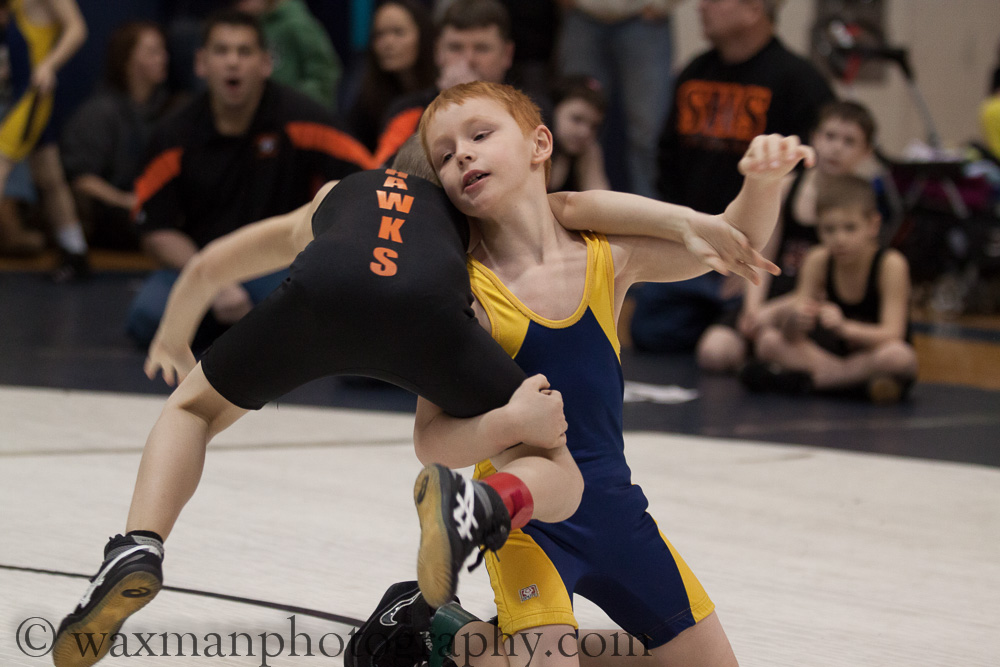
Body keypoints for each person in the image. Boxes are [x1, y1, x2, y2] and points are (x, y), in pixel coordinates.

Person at [50, 132, 775, 667]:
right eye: (458, 155)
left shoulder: (346, 197)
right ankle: (476, 536)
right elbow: (574, 202)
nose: (468, 160)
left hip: (328, 299)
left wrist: (175, 341)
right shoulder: (471, 245)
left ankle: (138, 543)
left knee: (191, 410)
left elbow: (212, 263)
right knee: (553, 462)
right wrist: (687, 219)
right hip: (466, 398)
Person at [405, 81, 812, 665]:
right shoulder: (464, 297)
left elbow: (734, 241)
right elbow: (430, 439)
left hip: (616, 513)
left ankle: (453, 635)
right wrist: (509, 423)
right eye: (443, 156)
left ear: (539, 143)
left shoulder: (605, 254)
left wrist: (763, 182)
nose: (461, 155)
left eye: (480, 134)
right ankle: (439, 636)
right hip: (524, 521)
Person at [125, 9, 371, 349]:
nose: (232, 63)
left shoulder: (303, 118)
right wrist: (211, 280)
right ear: (201, 63)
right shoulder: (173, 135)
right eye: (221, 51)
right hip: (200, 266)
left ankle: (244, 331)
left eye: (244, 52)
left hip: (277, 268)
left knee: (320, 310)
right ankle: (250, 333)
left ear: (265, 63)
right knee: (146, 317)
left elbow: (367, 180)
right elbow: (155, 230)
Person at [629, 0, 835, 353]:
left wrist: (758, 259)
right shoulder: (696, 71)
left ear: (754, 8)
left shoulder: (799, 81)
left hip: (756, 257)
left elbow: (811, 183)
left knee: (729, 342)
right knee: (650, 331)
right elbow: (666, 158)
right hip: (692, 246)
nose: (700, 6)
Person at [697, 100, 879, 373]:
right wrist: (753, 309)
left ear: (866, 152)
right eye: (830, 137)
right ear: (815, 138)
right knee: (715, 352)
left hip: (818, 306)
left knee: (771, 343)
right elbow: (762, 253)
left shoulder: (862, 202)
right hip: (775, 292)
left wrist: (772, 313)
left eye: (849, 141)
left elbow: (843, 279)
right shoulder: (786, 188)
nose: (836, 148)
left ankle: (807, 368)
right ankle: (769, 361)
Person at [741, 174, 918, 403]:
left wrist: (844, 328)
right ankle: (849, 384)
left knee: (900, 357)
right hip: (828, 356)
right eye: (829, 230)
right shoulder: (818, 259)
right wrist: (796, 320)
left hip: (869, 355)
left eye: (850, 228)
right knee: (768, 341)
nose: (839, 239)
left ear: (873, 225)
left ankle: (817, 382)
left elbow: (893, 334)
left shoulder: (890, 265)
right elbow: (792, 336)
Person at [60, 20, 177, 251]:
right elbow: (80, 180)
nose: (163, 58)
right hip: (113, 219)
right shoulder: (99, 112)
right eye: (153, 51)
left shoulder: (173, 110)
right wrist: (125, 201)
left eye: (163, 51)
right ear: (127, 58)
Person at [556, 0, 681, 198]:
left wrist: (662, 4)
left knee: (647, 134)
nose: (584, 131)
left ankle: (649, 221)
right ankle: (571, 212)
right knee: (573, 130)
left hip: (643, 17)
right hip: (582, 14)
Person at [0, 0, 89, 279]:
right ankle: (76, 253)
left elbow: (77, 28)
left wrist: (49, 65)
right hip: (20, 92)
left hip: (32, 97)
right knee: (50, 177)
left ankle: (76, 254)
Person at [371, 0, 517, 167]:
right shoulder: (408, 109)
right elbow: (386, 172)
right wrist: (447, 105)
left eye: (481, 48)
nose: (468, 60)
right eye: (455, 48)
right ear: (438, 51)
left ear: (507, 54)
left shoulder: (528, 109)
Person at [342, 0, 437, 151]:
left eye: (398, 32)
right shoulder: (367, 96)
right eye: (379, 34)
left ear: (424, 36)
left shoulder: (441, 89)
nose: (387, 43)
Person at [233, 0, 342, 109]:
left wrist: (294, 103)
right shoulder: (254, 23)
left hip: (296, 113)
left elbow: (324, 73)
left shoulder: (297, 23)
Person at [547, 74, 609, 192]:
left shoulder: (589, 152)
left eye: (594, 126)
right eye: (577, 119)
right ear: (553, 110)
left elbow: (601, 200)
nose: (585, 132)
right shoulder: (532, 146)